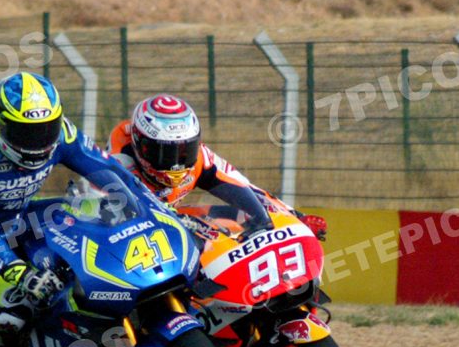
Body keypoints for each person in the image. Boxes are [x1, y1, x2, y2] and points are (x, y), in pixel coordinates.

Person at [0, 72, 135, 347]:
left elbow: (109, 171)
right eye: (26, 133)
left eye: (46, 129)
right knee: (19, 299)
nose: (40, 142)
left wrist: (149, 207)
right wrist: (17, 272)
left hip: (21, 218)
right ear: (1, 124)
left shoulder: (63, 134)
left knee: (87, 225)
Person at [106, 94, 327, 240]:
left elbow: (245, 188)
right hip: (127, 233)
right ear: (141, 145)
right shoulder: (120, 162)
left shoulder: (201, 157)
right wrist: (197, 227)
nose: (178, 162)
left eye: (185, 150)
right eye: (166, 152)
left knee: (240, 217)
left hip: (172, 218)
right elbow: (132, 212)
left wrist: (295, 216)